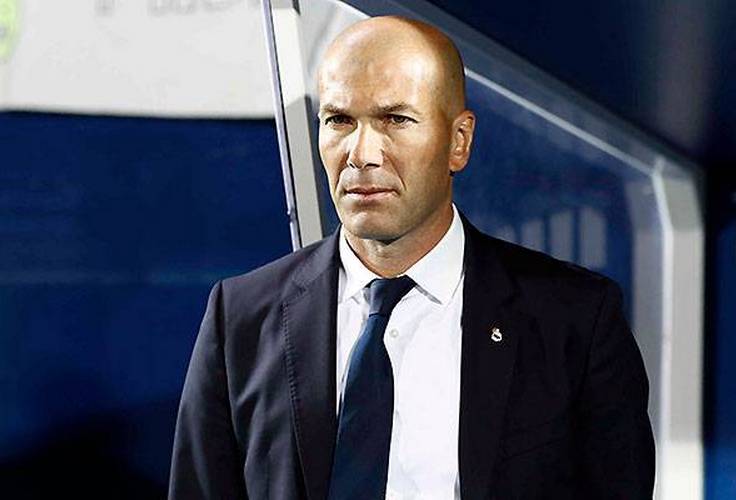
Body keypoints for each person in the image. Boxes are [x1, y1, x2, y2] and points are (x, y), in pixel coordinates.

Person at [168, 16, 655, 500]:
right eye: (339, 120)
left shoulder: (574, 320)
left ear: (458, 141)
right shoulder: (241, 318)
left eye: (395, 120)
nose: (361, 154)